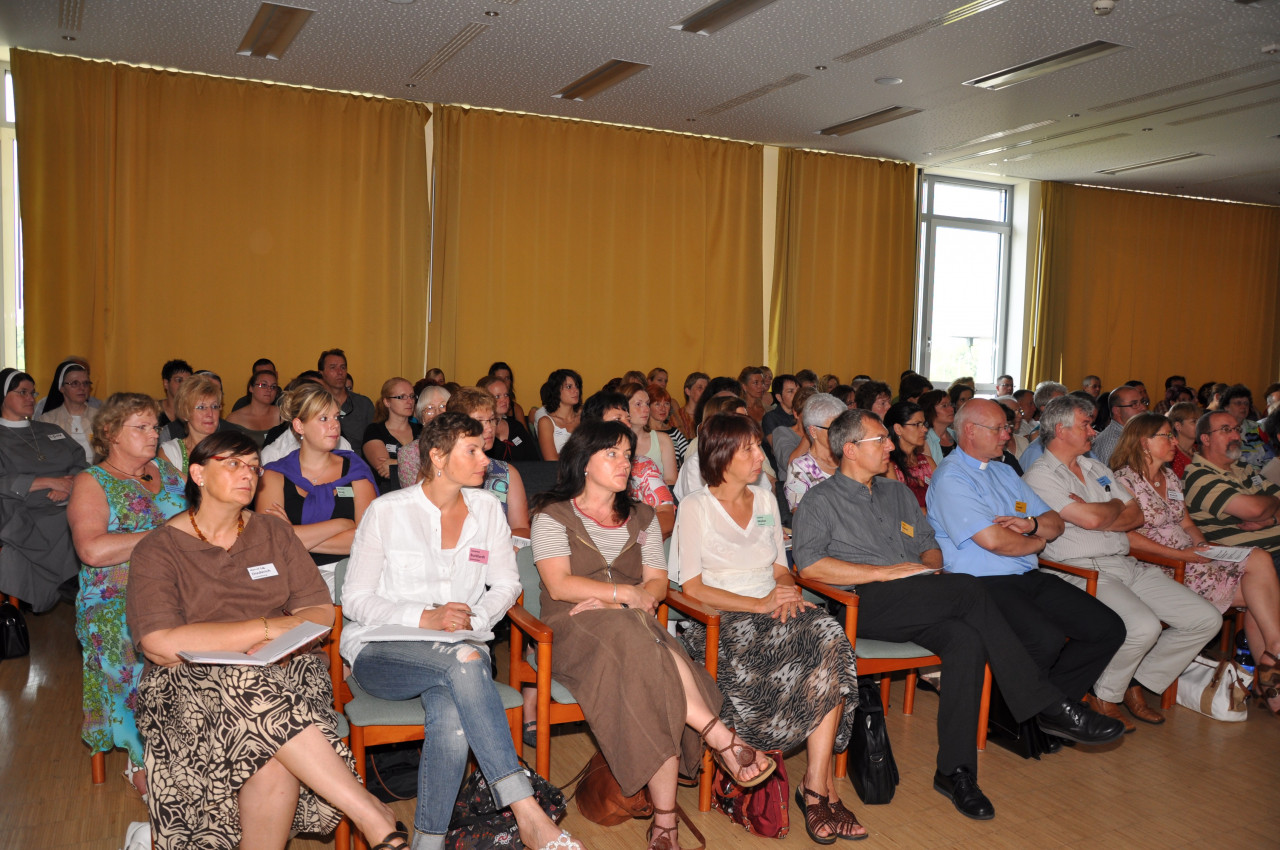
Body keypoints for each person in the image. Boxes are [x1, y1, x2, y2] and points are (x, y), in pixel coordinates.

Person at [792, 408, 1124, 821]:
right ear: (850, 449)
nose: (891, 446)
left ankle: (956, 772)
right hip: (864, 603)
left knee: (966, 641)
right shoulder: (820, 499)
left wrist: (927, 566)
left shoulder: (896, 493)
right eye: (882, 440)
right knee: (970, 586)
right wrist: (885, 572)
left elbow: (930, 543)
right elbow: (809, 567)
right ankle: (1046, 706)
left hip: (920, 595)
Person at [125, 431, 405, 849]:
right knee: (255, 706)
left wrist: (275, 641)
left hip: (286, 669)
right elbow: (161, 643)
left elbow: (319, 612)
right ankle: (370, 811)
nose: (249, 475)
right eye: (233, 464)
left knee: (268, 743)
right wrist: (266, 628)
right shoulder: (159, 549)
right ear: (198, 473)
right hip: (187, 683)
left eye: (254, 467)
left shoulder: (274, 533)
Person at [341, 415, 581, 850]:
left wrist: (477, 616)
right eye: (472, 450)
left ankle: (427, 843)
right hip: (384, 651)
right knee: (467, 664)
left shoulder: (487, 508)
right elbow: (355, 598)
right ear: (436, 456)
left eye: (483, 448)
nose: (485, 459)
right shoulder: (388, 511)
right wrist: (424, 617)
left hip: (462, 647)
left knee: (453, 710)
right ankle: (527, 811)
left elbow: (507, 584)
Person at [531, 420, 773, 850]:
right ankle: (718, 736)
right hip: (571, 629)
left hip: (636, 628)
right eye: (612, 454)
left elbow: (658, 584)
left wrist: (622, 602)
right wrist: (622, 593)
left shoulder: (642, 516)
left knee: (645, 663)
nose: (625, 462)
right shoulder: (553, 515)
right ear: (583, 462)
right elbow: (559, 586)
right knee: (642, 639)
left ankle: (665, 822)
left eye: (628, 454)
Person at [670, 414, 864, 842]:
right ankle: (819, 791)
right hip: (719, 622)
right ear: (722, 456)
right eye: (750, 450)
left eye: (759, 446)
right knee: (817, 647)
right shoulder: (695, 507)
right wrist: (758, 603)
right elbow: (692, 587)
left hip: (772, 610)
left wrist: (787, 590)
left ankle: (813, 785)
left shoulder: (764, 501)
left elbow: (780, 568)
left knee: (828, 637)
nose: (761, 456)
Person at [1023, 396, 1221, 729]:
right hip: (1080, 570)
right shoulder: (1040, 476)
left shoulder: (1095, 467)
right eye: (1086, 424)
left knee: (1204, 618)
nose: (1094, 431)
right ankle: (1107, 693)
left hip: (1124, 562)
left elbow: (1135, 515)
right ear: (1061, 429)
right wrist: (1110, 507)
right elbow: (1090, 519)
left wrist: (1100, 511)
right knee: (1143, 626)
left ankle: (1130, 682)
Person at [927, 400, 1125, 716]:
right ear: (970, 431)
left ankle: (1049, 710)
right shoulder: (952, 477)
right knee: (1044, 638)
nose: (1007, 435)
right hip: (978, 585)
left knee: (1107, 627)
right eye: (998, 429)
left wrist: (1032, 526)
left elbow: (1055, 523)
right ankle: (1019, 713)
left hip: (1026, 577)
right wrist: (1035, 542)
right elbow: (994, 541)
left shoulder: (1005, 471)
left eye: (1007, 427)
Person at [1110, 412, 1280, 713]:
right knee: (1259, 585)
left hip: (1190, 559)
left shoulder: (1170, 476)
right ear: (1144, 442)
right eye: (1166, 435)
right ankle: (1273, 667)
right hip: (1159, 566)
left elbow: (1187, 524)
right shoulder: (1123, 481)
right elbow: (1127, 539)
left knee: (1259, 566)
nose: (1175, 441)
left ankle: (1273, 662)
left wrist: (1202, 547)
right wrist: (1183, 556)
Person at [67, 392, 187, 801]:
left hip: (176, 587)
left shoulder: (166, 470)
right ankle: (141, 756)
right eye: (141, 427)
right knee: (123, 634)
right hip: (114, 597)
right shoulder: (92, 482)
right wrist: (164, 538)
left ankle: (193, 742)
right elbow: (92, 550)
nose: (153, 434)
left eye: (155, 426)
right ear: (110, 434)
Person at [257, 383, 377, 593]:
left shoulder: (356, 470)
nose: (334, 426)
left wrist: (292, 536)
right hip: (289, 574)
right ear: (299, 426)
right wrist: (341, 525)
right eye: (323, 419)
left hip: (348, 574)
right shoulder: (274, 475)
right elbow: (272, 541)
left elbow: (367, 541)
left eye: (336, 417)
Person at [0, 368, 88, 611]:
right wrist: (50, 482)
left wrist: (70, 485)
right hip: (22, 505)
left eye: (33, 392)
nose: (31, 398)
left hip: (68, 498)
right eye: (23, 392)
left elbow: (82, 463)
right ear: (3, 396)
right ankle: (74, 579)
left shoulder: (50, 431)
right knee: (68, 519)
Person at [1183, 411, 1280, 573]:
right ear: (1205, 439)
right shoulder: (1198, 476)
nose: (1236, 436)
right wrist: (1275, 502)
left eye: (1237, 429)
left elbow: (1261, 510)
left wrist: (1271, 520)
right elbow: (1255, 511)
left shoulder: (1244, 468)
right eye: (1226, 430)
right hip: (1254, 561)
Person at [581, 391, 675, 538]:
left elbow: (666, 515)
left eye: (628, 419)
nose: (627, 425)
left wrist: (637, 541)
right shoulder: (579, 467)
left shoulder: (642, 465)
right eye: (618, 419)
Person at [446, 387, 532, 539]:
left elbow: (522, 529)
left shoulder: (506, 472)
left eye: (492, 420)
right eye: (479, 421)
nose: (489, 428)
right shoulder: (440, 470)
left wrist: (492, 544)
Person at [676, 395, 773, 503]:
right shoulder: (695, 465)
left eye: (747, 418)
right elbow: (700, 508)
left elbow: (765, 503)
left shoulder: (752, 460)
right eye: (740, 420)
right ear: (721, 426)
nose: (747, 424)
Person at [784, 393, 846, 512]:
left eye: (844, 428)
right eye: (835, 429)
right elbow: (801, 514)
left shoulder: (848, 458)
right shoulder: (800, 467)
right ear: (813, 431)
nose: (842, 433)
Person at [362, 377, 422, 495]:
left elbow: (435, 465)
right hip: (387, 495)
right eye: (402, 397)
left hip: (419, 494)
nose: (409, 401)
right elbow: (384, 470)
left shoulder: (422, 430)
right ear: (387, 402)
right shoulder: (374, 430)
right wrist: (419, 464)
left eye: (411, 396)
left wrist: (395, 463)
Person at [158, 374, 224, 477]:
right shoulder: (171, 453)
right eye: (202, 407)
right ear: (185, 413)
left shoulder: (229, 450)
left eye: (214, 406)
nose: (210, 413)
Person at [39, 359, 98, 460]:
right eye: (75, 383)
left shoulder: (101, 417)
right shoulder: (47, 421)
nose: (82, 388)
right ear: (62, 388)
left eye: (86, 383)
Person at [318, 348, 376, 448]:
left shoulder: (363, 404)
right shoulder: (315, 405)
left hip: (359, 460)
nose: (339, 372)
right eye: (333, 367)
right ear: (321, 373)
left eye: (343, 367)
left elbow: (375, 441)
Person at [621, 382, 677, 487]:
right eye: (638, 404)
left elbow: (672, 480)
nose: (646, 409)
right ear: (624, 408)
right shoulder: (614, 442)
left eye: (647, 404)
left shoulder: (663, 440)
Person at [884, 401, 936, 510]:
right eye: (917, 424)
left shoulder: (928, 462)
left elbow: (944, 498)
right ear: (898, 429)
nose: (925, 429)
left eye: (924, 424)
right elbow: (900, 509)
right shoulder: (888, 466)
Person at [397, 385, 453, 486]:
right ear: (422, 418)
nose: (437, 413)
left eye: (443, 406)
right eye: (430, 408)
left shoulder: (462, 446)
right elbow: (412, 494)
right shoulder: (408, 453)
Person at [480, 375, 538, 463]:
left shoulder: (517, 427)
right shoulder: (478, 431)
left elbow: (535, 462)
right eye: (497, 396)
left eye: (506, 395)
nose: (504, 400)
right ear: (483, 399)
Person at [1221, 384, 1275, 472]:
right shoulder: (1220, 430)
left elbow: (1271, 458)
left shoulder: (1258, 428)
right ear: (1226, 407)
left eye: (1246, 403)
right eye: (1238, 403)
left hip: (1265, 476)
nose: (1243, 407)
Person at [224, 369, 283, 448]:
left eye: (273, 387)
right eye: (264, 385)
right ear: (251, 388)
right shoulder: (234, 419)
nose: (269, 390)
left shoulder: (282, 415)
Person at [1091, 385, 1148, 467]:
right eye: (1134, 404)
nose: (1143, 408)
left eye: (1142, 402)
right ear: (1117, 411)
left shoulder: (1134, 434)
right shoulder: (1113, 443)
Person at [533, 369, 582, 461]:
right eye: (569, 387)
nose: (575, 391)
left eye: (577, 386)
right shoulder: (546, 422)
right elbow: (551, 460)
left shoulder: (584, 419)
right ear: (556, 391)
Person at [645, 383, 688, 469]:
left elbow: (688, 458)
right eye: (657, 404)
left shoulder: (675, 432)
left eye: (667, 404)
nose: (663, 408)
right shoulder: (643, 433)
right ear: (648, 407)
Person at [761, 374, 799, 449]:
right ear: (779, 397)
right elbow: (777, 449)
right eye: (790, 391)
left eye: (798, 391)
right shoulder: (771, 418)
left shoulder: (803, 415)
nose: (797, 395)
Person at [919, 389, 957, 464]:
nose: (952, 409)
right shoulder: (924, 439)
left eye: (951, 404)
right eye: (944, 406)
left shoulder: (956, 435)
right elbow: (928, 473)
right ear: (930, 410)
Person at [671, 371, 708, 443]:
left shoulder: (708, 415)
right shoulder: (677, 417)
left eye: (706, 389)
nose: (704, 392)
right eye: (700, 388)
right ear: (688, 391)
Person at [156, 359, 193, 429]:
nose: (184, 385)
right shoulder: (153, 411)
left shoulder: (194, 413)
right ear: (166, 383)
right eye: (179, 380)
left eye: (188, 382)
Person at [1167, 401, 1200, 478]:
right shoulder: (1172, 454)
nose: (1199, 424)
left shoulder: (1200, 448)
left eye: (1200, 420)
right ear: (1178, 426)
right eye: (1194, 421)